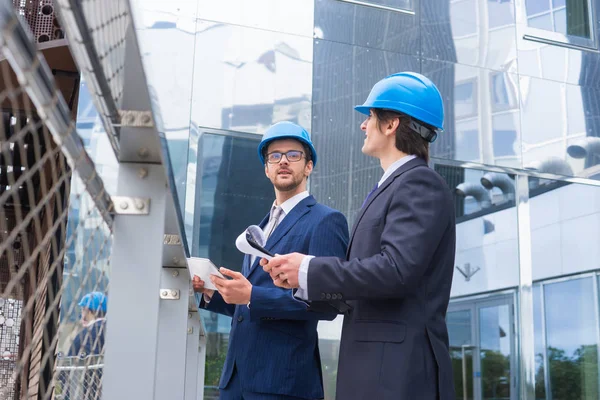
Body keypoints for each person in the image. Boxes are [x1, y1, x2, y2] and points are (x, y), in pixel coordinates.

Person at [262, 72, 456, 400]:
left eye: (370, 117)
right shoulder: (390, 187)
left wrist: (308, 268)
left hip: (397, 374)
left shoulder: (418, 183)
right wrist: (300, 281)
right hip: (378, 369)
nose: (363, 126)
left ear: (391, 124)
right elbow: (367, 286)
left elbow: (396, 271)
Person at [193, 121, 349, 400]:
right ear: (266, 169)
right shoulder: (259, 228)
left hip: (283, 380)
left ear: (309, 166)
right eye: (274, 156)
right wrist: (214, 293)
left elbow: (328, 304)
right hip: (236, 379)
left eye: (293, 155)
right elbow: (248, 306)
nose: (283, 161)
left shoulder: (326, 221)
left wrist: (253, 295)